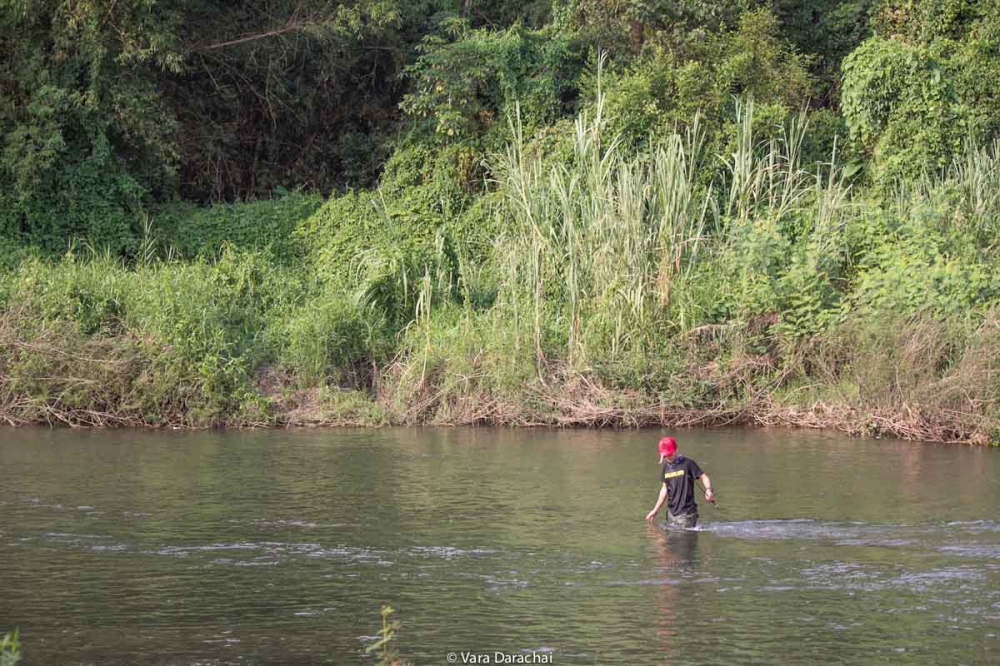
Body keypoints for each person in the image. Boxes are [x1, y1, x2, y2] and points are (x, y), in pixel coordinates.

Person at [644, 437, 714, 528]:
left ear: (675, 450)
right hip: (671, 514)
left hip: (686, 514)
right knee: (671, 541)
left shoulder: (688, 463)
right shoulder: (666, 467)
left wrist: (708, 490)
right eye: (665, 456)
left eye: (669, 454)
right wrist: (655, 510)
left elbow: (704, 477)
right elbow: (664, 489)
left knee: (683, 540)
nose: (668, 458)